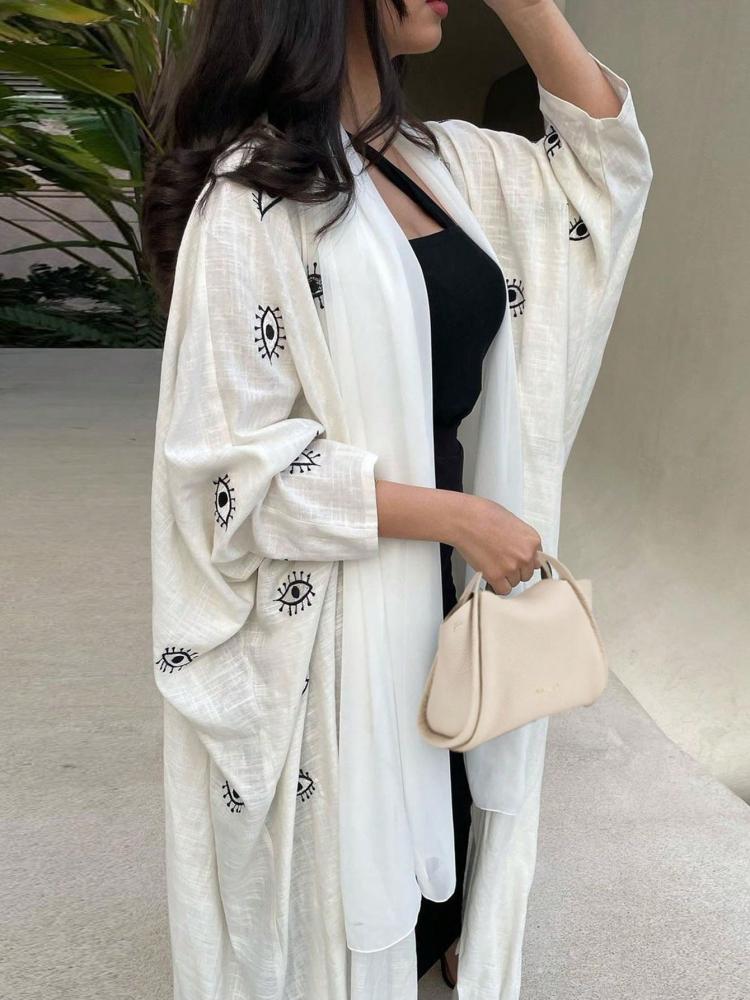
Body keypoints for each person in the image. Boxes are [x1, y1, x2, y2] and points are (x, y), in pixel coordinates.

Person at [143, 1, 653, 997]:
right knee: (349, 885)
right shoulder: (252, 198)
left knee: (453, 799)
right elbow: (227, 474)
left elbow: (605, 169)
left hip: (451, 595)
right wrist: (458, 517)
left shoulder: (443, 163)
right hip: (342, 616)